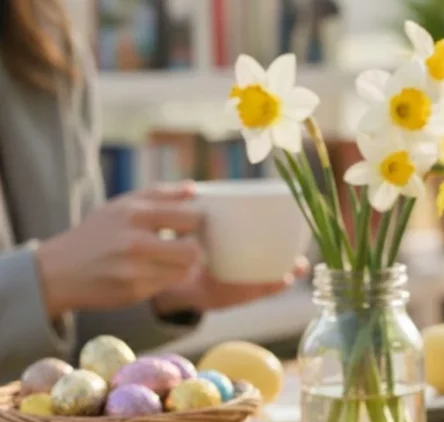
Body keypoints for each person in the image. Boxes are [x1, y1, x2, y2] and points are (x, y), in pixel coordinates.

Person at [0, 0, 303, 382]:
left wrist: (162, 293)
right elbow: (50, 283)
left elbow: (61, 340)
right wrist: (45, 279)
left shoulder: (43, 40)